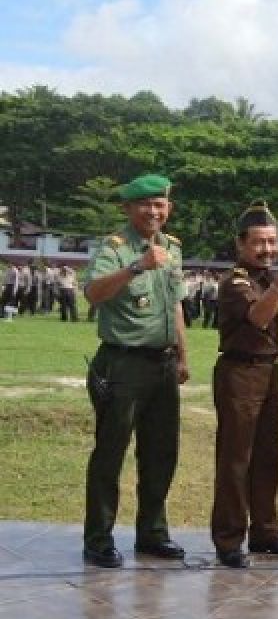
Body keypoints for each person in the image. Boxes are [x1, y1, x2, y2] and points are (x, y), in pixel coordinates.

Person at [79, 173, 190, 567]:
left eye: (160, 204)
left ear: (168, 209)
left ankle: (153, 534)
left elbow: (175, 304)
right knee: (111, 453)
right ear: (128, 208)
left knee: (161, 452)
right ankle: (98, 539)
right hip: (122, 363)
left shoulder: (171, 248)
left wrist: (183, 354)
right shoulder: (115, 248)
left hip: (162, 363)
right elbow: (92, 293)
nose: (154, 211)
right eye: (145, 204)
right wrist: (136, 268)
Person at [210, 200, 278, 568]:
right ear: (240, 244)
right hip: (240, 372)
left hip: (269, 371)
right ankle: (229, 538)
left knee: (268, 455)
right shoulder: (235, 281)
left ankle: (266, 531)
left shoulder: (265, 277)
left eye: (272, 241)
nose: (267, 249)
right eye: (259, 242)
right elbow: (258, 317)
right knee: (236, 459)